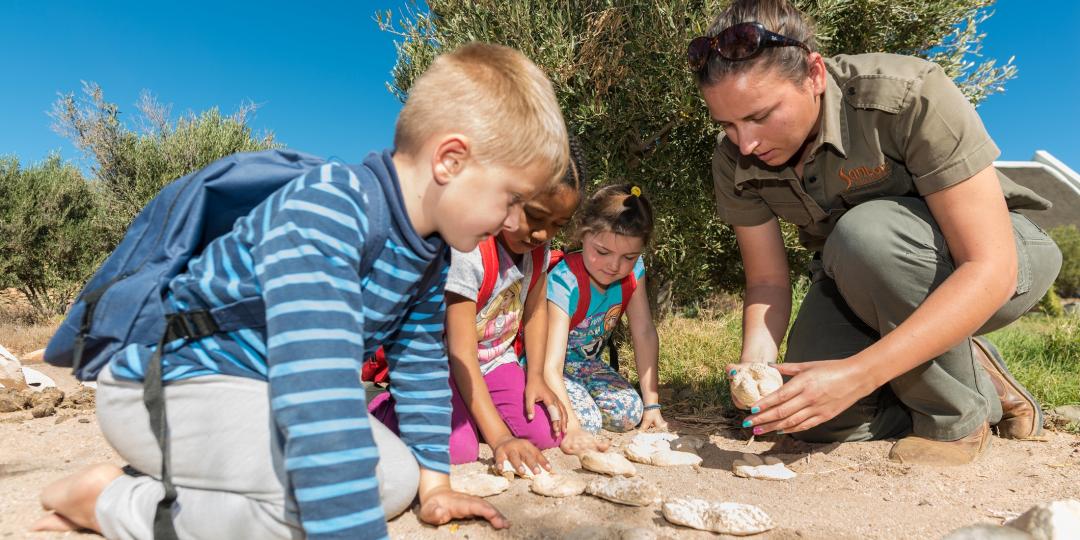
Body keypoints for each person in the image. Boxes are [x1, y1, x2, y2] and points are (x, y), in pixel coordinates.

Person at [31, 42, 570, 539]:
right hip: (168, 389)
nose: (513, 219)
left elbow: (421, 365)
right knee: (324, 503)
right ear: (450, 160)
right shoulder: (330, 208)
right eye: (511, 198)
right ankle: (112, 502)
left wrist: (436, 485)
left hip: (257, 396)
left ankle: (170, 483)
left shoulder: (429, 254)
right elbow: (315, 390)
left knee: (395, 482)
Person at [690, 0, 1061, 465]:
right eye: (727, 124)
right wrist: (754, 368)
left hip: (1001, 258)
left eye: (761, 116)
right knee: (807, 415)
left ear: (815, 76)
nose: (746, 143)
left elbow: (991, 266)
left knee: (863, 235)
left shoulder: (908, 95)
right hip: (855, 280)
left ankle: (956, 419)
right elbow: (767, 281)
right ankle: (974, 375)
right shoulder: (733, 159)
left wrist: (859, 375)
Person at [368, 137, 586, 474]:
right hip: (443, 361)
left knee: (544, 434)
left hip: (495, 358)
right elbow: (461, 353)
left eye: (557, 224)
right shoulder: (470, 250)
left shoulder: (538, 251)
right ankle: (387, 409)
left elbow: (535, 309)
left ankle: (469, 412)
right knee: (459, 449)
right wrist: (499, 438)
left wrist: (537, 376)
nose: (543, 234)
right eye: (536, 216)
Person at [544, 184, 668, 455]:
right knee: (587, 421)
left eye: (628, 256)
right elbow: (548, 365)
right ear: (583, 233)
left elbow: (644, 331)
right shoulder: (564, 280)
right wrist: (574, 427)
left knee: (629, 414)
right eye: (602, 252)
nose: (614, 266)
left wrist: (652, 404)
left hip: (588, 365)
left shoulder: (634, 272)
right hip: (548, 369)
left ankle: (580, 406)